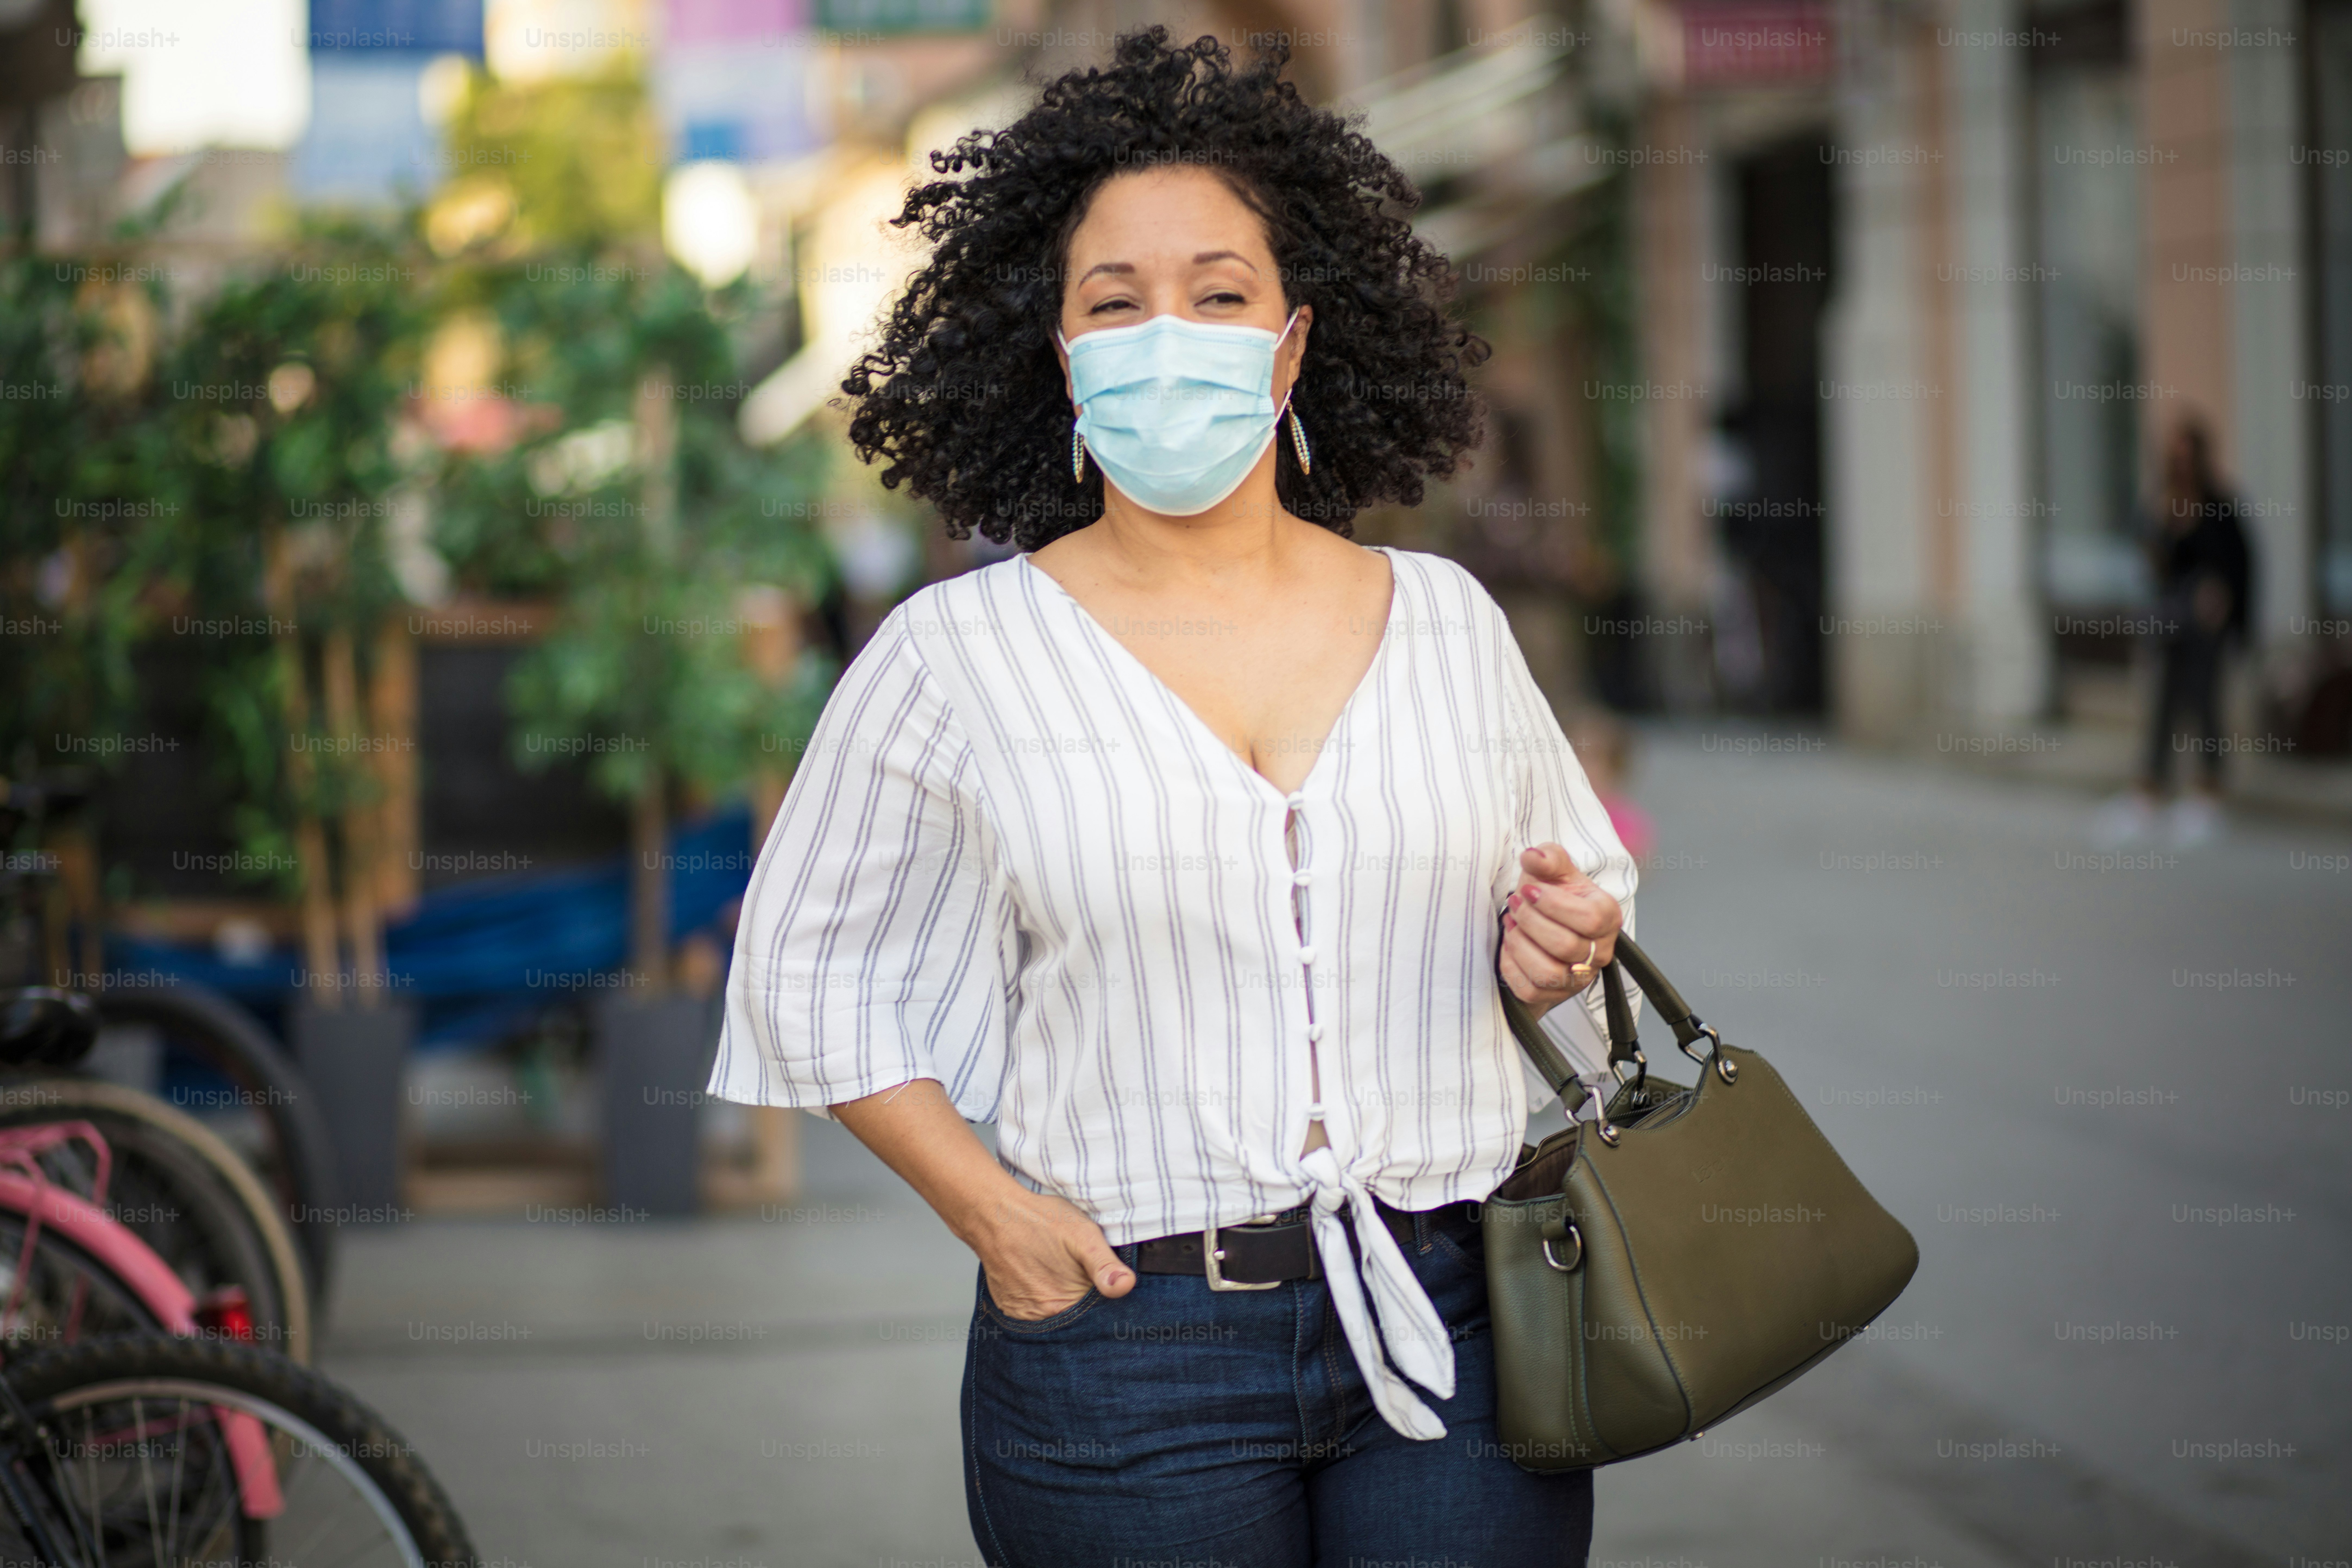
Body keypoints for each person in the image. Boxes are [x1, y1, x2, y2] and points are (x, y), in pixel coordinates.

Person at [707, 31, 1634, 1568]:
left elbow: (1574, 898)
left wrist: (1558, 946)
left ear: (1289, 349)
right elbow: (806, 965)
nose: (1167, 332)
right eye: (1114, 302)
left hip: (1460, 1317)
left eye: (1217, 294)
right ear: (1063, 357)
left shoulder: (1447, 621)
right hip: (1124, 1344)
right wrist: (990, 1211)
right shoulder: (959, 652)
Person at [2095, 418, 2255, 848]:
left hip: (2207, 630)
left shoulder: (2220, 505)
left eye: (2188, 456)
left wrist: (2229, 608)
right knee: (2163, 706)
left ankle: (2207, 795)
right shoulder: (2163, 504)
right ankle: (2149, 791)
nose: (2182, 464)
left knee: (2205, 707)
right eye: (2175, 456)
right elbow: (2154, 562)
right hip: (2170, 625)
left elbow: (2240, 566)